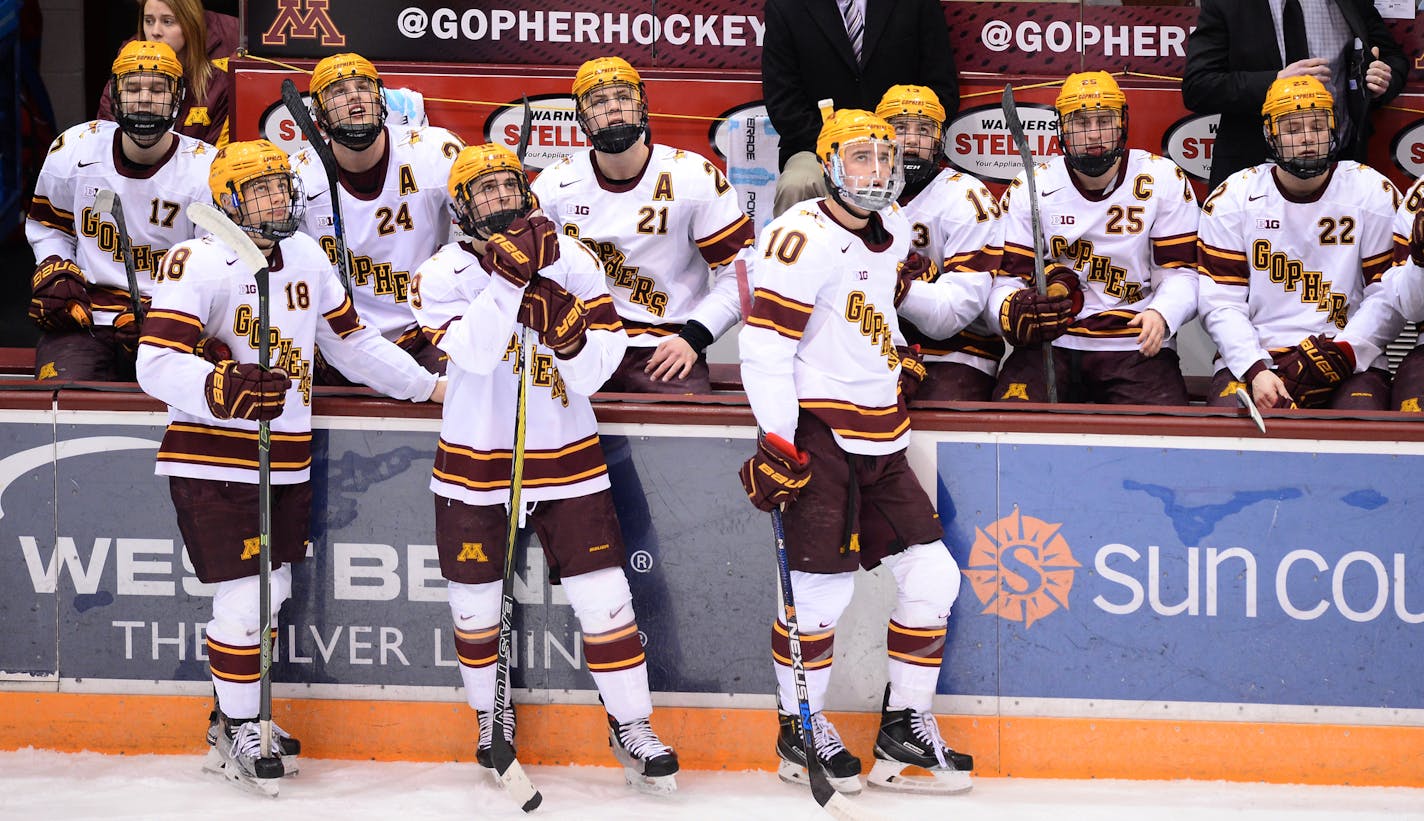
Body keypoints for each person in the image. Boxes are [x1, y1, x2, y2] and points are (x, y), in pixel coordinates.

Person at [135, 139, 444, 795]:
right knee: (245, 598)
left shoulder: (304, 254)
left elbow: (352, 341)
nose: (279, 198)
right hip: (214, 454)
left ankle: (233, 717)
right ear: (227, 200)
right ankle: (240, 725)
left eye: (282, 186)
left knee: (270, 594)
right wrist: (223, 386)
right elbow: (155, 363)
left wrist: (426, 387)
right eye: (262, 190)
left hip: (287, 459)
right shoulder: (197, 259)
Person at [409, 143, 680, 792]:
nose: (501, 198)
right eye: (487, 191)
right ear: (462, 209)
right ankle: (489, 715)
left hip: (567, 455)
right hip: (474, 459)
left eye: (509, 186)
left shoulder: (575, 259)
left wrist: (571, 335)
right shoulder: (439, 275)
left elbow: (596, 370)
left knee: (606, 597)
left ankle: (631, 723)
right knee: (475, 608)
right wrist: (509, 283)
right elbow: (471, 356)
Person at [737, 106, 973, 796]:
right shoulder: (796, 237)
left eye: (884, 157)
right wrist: (779, 440)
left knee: (933, 579)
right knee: (818, 598)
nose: (876, 170)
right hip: (818, 434)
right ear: (830, 166)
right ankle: (797, 724)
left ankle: (904, 727)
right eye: (860, 157)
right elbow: (763, 348)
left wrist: (896, 355)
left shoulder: (893, 226)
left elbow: (869, 303)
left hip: (884, 431)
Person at [532, 56, 755, 394]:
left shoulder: (693, 176)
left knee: (683, 442)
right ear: (581, 117)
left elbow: (741, 273)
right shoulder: (553, 184)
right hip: (581, 345)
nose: (613, 109)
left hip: (666, 347)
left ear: (643, 105)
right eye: (599, 100)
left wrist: (694, 337)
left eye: (623, 97)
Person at [988, 72, 1200, 405]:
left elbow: (1182, 275)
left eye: (1104, 120)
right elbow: (1006, 280)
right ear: (1061, 129)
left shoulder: (1163, 178)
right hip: (1053, 343)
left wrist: (1162, 313)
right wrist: (1011, 311)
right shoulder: (1032, 185)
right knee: (1011, 427)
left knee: (1164, 444)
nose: (1093, 134)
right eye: (1080, 123)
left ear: (1122, 124)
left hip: (1135, 344)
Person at [1197, 75, 1399, 412]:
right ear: (1270, 135)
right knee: (1231, 438)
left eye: (1317, 127)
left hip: (1349, 358)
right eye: (1292, 130)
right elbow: (1220, 302)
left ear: (1333, 130)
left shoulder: (1370, 191)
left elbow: (1388, 295)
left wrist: (1346, 352)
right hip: (1260, 359)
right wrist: (1255, 367)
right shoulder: (1234, 197)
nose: (1307, 139)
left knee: (1361, 431)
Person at [27, 40, 214, 382]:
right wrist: (55, 266)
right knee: (66, 403)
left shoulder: (206, 170)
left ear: (178, 96)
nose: (144, 97)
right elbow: (49, 226)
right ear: (114, 94)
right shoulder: (73, 149)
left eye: (158, 88)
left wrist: (166, 317)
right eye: (133, 87)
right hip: (86, 316)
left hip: (172, 322)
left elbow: (214, 269)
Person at [295, 52, 465, 380]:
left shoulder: (432, 152)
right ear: (318, 113)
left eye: (363, 86)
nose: (355, 97)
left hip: (425, 329)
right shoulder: (297, 177)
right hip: (339, 339)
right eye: (339, 91)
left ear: (381, 99)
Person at [1182, 0, 1406, 193]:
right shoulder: (1228, 4)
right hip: (1254, 174)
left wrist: (1382, 80)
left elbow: (1392, 58)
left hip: (1341, 168)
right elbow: (1199, 87)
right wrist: (1275, 83)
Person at [761, 0, 958, 216]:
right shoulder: (785, 5)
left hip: (900, 146)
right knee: (798, 183)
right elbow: (785, 105)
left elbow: (942, 90)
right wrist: (847, 150)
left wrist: (894, 143)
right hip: (819, 149)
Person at [875, 84, 1001, 401]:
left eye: (925, 129)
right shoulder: (857, 193)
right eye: (900, 128)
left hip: (954, 351)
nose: (913, 140)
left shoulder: (966, 198)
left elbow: (950, 319)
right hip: (874, 344)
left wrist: (893, 287)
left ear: (940, 139)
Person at [97, 0, 234, 147]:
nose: (155, 31)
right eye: (148, 21)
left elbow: (218, 157)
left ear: (190, 25)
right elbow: (104, 140)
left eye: (167, 22)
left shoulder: (216, 80)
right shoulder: (125, 64)